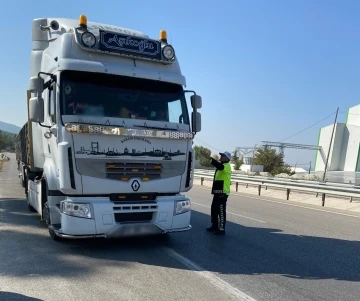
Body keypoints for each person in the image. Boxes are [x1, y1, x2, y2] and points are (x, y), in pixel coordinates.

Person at [202, 151, 232, 235]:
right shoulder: (222, 166)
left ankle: (222, 229)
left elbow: (219, 166)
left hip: (222, 193)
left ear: (227, 158)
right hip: (217, 192)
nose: (221, 157)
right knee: (214, 210)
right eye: (221, 155)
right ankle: (214, 226)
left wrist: (210, 159)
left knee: (221, 211)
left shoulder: (227, 166)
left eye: (223, 156)